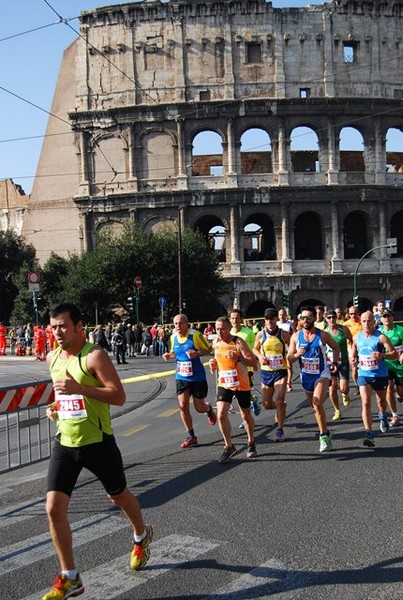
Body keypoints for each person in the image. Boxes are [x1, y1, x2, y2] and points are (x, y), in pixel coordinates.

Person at [43, 302, 152, 600]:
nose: (57, 332)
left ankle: (141, 536)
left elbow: (118, 396)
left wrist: (81, 389)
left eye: (63, 326)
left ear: (79, 327)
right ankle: (70, 577)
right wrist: (56, 407)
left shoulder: (95, 356)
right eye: (53, 327)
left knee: (118, 495)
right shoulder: (52, 357)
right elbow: (64, 395)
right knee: (53, 509)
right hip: (65, 442)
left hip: (98, 443)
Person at [287, 306, 340, 453]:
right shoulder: (295, 337)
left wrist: (334, 362)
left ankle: (323, 436)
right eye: (303, 318)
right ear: (299, 319)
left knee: (317, 403)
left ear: (314, 319)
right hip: (306, 377)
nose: (306, 320)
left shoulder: (322, 335)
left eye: (309, 317)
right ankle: (327, 432)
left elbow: (335, 348)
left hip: (322, 374)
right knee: (315, 407)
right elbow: (289, 359)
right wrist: (297, 354)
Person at [162, 313, 216, 448]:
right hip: (181, 376)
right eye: (175, 324)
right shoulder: (173, 337)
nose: (178, 326)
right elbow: (174, 352)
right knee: (183, 404)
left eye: (180, 323)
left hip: (197, 376)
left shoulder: (195, 336)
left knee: (199, 408)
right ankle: (191, 436)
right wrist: (169, 355)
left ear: (187, 323)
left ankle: (208, 409)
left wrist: (197, 354)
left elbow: (209, 349)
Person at [209, 316, 258, 463]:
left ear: (229, 328)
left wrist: (238, 358)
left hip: (241, 383)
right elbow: (218, 361)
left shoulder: (238, 342)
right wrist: (213, 365)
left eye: (223, 329)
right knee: (221, 415)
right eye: (217, 329)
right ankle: (229, 446)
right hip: (224, 383)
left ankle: (251, 442)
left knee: (245, 414)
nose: (220, 332)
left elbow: (253, 363)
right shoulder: (216, 343)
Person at [350, 310, 397, 447]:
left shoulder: (381, 337)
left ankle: (382, 416)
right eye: (364, 321)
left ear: (374, 322)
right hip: (364, 374)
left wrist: (383, 356)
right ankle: (369, 433)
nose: (366, 323)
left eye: (369, 320)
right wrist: (353, 359)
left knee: (381, 401)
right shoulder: (356, 337)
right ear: (361, 322)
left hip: (380, 375)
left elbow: (394, 354)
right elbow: (353, 351)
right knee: (365, 402)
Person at [253, 307, 290, 441]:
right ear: (265, 320)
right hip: (266, 372)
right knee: (267, 404)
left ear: (276, 319)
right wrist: (260, 357)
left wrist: (290, 356)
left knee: (279, 399)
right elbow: (255, 349)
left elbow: (293, 346)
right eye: (267, 318)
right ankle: (281, 406)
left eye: (272, 318)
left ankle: (280, 430)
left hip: (280, 371)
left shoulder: (283, 334)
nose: (270, 321)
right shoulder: (260, 334)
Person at [229, 308, 260, 422]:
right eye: (232, 318)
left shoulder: (248, 333)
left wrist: (255, 362)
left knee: (243, 392)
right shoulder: (229, 333)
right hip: (233, 368)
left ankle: (245, 418)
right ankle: (253, 402)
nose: (235, 320)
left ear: (241, 319)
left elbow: (254, 349)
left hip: (247, 367)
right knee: (238, 393)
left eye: (237, 318)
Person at [324, 309, 353, 421]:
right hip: (330, 363)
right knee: (332, 388)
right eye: (329, 317)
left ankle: (345, 394)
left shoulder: (343, 329)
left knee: (344, 388)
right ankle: (337, 410)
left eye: (333, 317)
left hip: (343, 362)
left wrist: (351, 353)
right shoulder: (324, 332)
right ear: (326, 319)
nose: (332, 319)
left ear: (337, 318)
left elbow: (351, 340)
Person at [378, 309, 403, 427]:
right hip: (386, 364)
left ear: (392, 318)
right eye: (384, 317)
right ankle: (395, 415)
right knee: (389, 388)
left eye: (388, 316)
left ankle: (400, 394)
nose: (386, 319)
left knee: (400, 391)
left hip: (399, 365)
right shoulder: (379, 332)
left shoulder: (400, 330)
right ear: (381, 319)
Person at [344, 306, 362, 391]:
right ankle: (357, 385)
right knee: (354, 368)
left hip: (363, 348)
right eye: (351, 314)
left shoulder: (363, 321)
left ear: (358, 313)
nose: (353, 315)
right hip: (351, 348)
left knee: (363, 367)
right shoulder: (346, 324)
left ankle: (364, 383)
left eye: (355, 313)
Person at [277, 307, 294, 391]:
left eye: (283, 314)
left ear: (286, 315)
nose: (282, 316)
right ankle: (280, 382)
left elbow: (295, 334)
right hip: (278, 349)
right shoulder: (276, 324)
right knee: (280, 367)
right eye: (280, 315)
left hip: (288, 348)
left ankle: (289, 383)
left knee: (289, 366)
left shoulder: (290, 324)